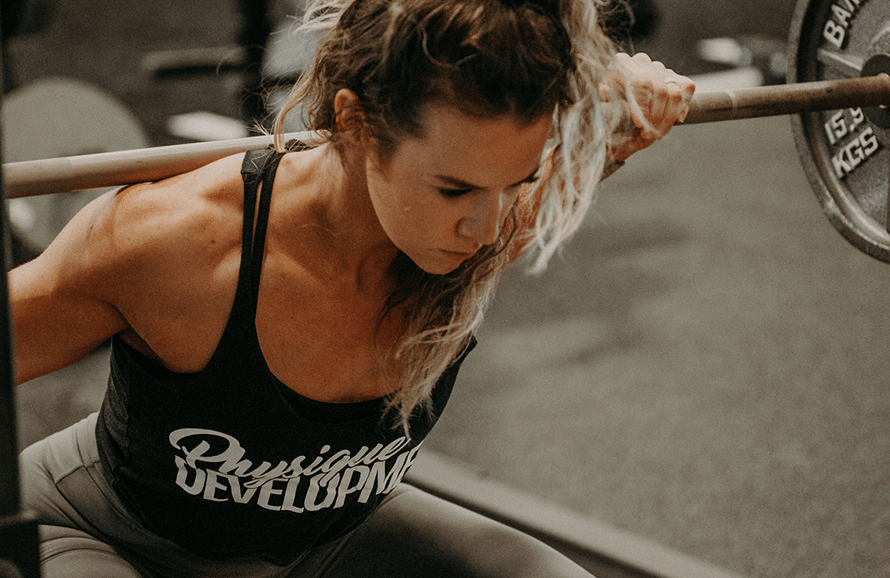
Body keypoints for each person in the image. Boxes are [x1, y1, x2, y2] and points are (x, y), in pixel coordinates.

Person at [10, 0, 694, 576]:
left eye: (514, 183)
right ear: (357, 121)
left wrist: (619, 129)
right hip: (100, 535)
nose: (490, 229)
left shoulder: (461, 222)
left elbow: (526, 185)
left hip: (317, 541)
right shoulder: (172, 244)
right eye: (455, 187)